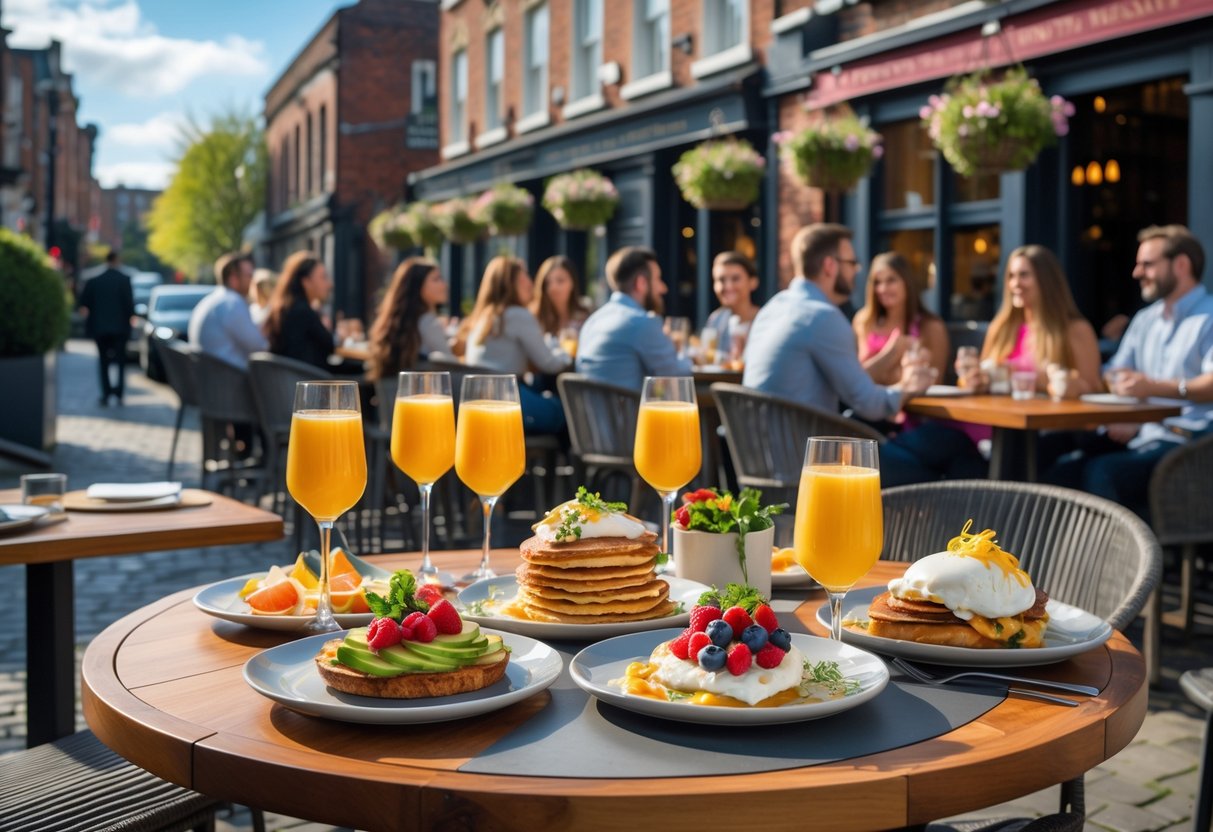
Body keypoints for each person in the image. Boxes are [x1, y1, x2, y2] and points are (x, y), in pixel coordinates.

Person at [742, 223, 958, 487]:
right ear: (830, 266)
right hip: (813, 466)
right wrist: (909, 387)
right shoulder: (822, 316)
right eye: (852, 263)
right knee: (954, 455)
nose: (856, 271)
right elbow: (868, 402)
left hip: (760, 463)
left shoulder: (771, 309)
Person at [1045, 225, 1213, 513]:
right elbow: (1113, 371)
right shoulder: (1146, 319)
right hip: (1142, 434)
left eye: (1147, 264)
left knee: (1102, 472)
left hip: (1190, 445)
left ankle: (1128, 559)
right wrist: (1126, 396)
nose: (1137, 273)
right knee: (1059, 466)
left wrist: (1151, 389)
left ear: (1181, 265)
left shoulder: (1208, 317)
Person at [957, 245, 1102, 397]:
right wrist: (975, 379)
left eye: (1024, 275)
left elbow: (1093, 388)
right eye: (1011, 276)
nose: (1015, 283)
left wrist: (1069, 385)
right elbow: (974, 381)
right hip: (997, 416)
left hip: (1047, 418)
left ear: (1047, 281)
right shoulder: (1000, 326)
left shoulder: (1076, 329)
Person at [464, 255, 569, 434]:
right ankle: (565, 462)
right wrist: (565, 353)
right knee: (568, 411)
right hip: (507, 400)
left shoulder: (484, 317)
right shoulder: (517, 314)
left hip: (478, 404)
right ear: (511, 285)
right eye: (524, 278)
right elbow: (550, 364)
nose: (530, 283)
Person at [576, 246, 692, 390]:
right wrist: (682, 353)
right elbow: (675, 378)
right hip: (631, 412)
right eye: (658, 279)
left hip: (590, 412)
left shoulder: (592, 321)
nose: (663, 288)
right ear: (641, 283)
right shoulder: (643, 323)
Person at [853, 252, 948, 385]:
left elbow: (935, 380)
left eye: (891, 280)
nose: (883, 289)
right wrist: (894, 353)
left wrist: (881, 373)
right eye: (877, 282)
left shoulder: (931, 326)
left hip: (913, 404)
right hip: (867, 404)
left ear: (907, 282)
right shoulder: (863, 321)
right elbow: (853, 379)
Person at [366, 257, 451, 383]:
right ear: (417, 286)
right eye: (436, 279)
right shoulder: (428, 322)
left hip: (395, 396)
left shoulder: (394, 323)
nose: (444, 285)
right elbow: (452, 366)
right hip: (424, 398)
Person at [188, 252, 267, 371]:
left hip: (212, 377)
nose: (252, 281)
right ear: (234, 279)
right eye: (249, 276)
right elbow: (259, 345)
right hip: (231, 380)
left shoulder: (214, 300)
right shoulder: (232, 303)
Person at [78, 249, 134, 406]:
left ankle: (106, 393)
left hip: (100, 328)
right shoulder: (124, 280)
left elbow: (83, 304)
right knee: (121, 363)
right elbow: (129, 306)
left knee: (103, 362)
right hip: (120, 329)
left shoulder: (94, 280)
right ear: (116, 260)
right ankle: (120, 393)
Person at [265, 252, 335, 371]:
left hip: (287, 380)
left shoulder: (284, 308)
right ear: (306, 282)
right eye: (323, 277)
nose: (329, 284)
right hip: (310, 384)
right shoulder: (302, 311)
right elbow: (330, 346)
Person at [704, 251, 761, 363]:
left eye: (735, 279)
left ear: (753, 282)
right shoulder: (715, 319)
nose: (728, 286)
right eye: (721, 280)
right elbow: (707, 359)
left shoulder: (765, 320)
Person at [530, 255, 590, 337]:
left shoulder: (586, 317)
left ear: (572, 283)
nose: (553, 287)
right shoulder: (533, 318)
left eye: (560, 281)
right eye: (548, 283)